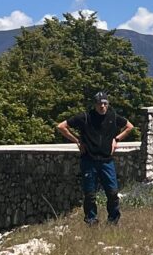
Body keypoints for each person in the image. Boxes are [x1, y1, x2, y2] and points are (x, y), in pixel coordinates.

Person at [57, 91, 134, 225]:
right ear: (95, 105)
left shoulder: (113, 116)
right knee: (90, 194)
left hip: (106, 160)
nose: (102, 106)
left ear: (108, 104)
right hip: (89, 160)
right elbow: (61, 126)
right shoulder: (86, 117)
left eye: (105, 103)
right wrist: (77, 141)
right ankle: (91, 220)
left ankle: (113, 220)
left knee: (112, 192)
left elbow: (129, 127)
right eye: (99, 104)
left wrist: (116, 139)